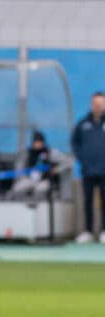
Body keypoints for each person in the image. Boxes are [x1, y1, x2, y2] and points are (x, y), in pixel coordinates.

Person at [71, 92, 105, 243]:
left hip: (104, 171)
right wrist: (83, 159)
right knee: (87, 201)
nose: (98, 106)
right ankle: (88, 231)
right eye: (95, 103)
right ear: (92, 104)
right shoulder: (82, 124)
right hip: (88, 171)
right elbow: (75, 143)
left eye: (101, 103)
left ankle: (104, 231)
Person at [8, 130, 61, 201]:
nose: (38, 144)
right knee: (18, 188)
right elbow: (20, 167)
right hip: (29, 178)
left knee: (39, 189)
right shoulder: (28, 153)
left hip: (44, 180)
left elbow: (65, 162)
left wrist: (55, 170)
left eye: (40, 142)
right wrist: (22, 176)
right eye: (36, 142)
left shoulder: (49, 152)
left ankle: (36, 205)